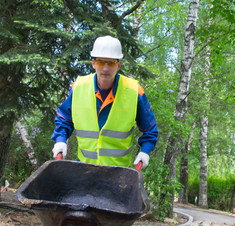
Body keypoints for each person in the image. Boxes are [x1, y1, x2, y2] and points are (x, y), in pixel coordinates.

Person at [51, 35, 158, 169]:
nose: (106, 68)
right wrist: (60, 140)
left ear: (118, 65)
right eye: (101, 62)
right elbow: (64, 119)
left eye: (111, 63)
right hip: (84, 170)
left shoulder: (135, 92)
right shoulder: (78, 87)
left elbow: (150, 130)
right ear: (93, 63)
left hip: (118, 174)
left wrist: (145, 151)